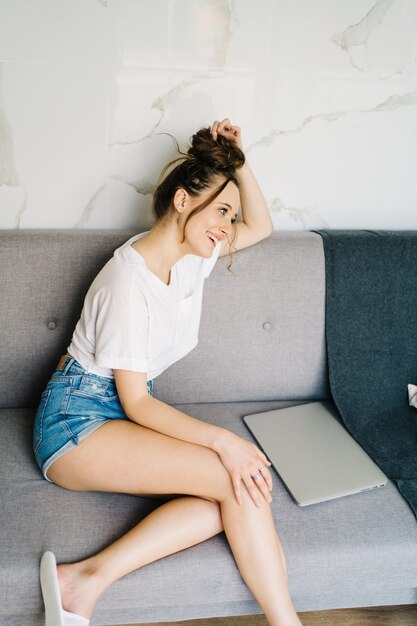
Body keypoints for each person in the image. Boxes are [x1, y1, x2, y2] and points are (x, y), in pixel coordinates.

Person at [34, 118, 303, 626]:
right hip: (75, 424)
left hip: (117, 415)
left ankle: (82, 582)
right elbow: (135, 402)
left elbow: (263, 227)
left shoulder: (191, 255)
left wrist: (239, 165)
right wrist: (223, 441)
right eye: (221, 210)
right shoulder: (126, 282)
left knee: (226, 501)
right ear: (183, 201)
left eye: (231, 214)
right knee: (236, 477)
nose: (227, 225)